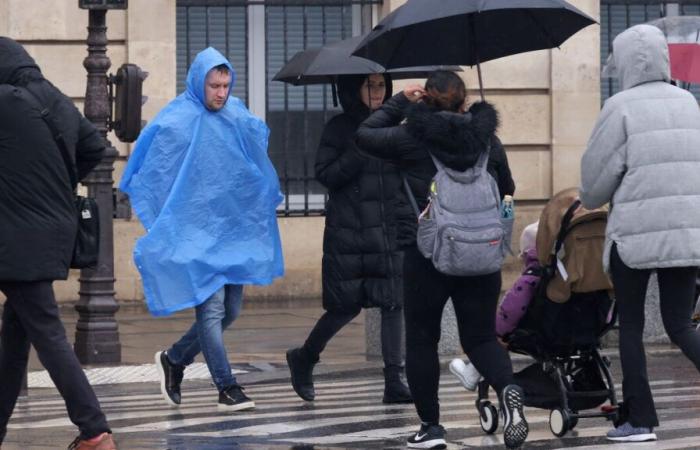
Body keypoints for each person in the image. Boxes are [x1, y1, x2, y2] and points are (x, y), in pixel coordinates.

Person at [355, 71, 528, 450]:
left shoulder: (409, 137)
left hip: (426, 254)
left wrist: (400, 99)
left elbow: (365, 134)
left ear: (426, 100)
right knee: (481, 337)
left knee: (421, 340)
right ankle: (510, 388)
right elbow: (508, 189)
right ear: (464, 101)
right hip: (480, 254)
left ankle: (431, 428)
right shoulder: (488, 140)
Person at [119, 47, 284, 412]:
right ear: (199, 82)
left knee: (231, 311)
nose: (221, 93)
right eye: (214, 85)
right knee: (211, 311)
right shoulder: (177, 119)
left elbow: (254, 159)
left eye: (226, 85)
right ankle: (226, 386)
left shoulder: (236, 115)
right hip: (194, 234)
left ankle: (175, 359)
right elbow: (153, 164)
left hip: (231, 231)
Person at [580, 24, 700, 442]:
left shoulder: (619, 107)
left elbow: (593, 189)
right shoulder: (689, 102)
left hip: (633, 237)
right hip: (687, 235)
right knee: (680, 325)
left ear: (626, 61)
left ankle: (639, 422)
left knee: (630, 327)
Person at [0, 37, 116, 449]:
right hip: (54, 231)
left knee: (47, 333)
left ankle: (94, 428)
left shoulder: (4, 103)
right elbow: (95, 149)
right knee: (15, 340)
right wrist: (56, 183)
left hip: (16, 239)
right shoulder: (54, 99)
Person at [286, 73, 412, 404]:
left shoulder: (396, 126)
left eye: (381, 85)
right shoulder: (340, 128)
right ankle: (305, 357)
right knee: (345, 307)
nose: (376, 92)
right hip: (351, 233)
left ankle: (394, 380)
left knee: (393, 303)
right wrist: (360, 148)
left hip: (387, 230)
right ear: (353, 89)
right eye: (369, 85)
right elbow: (325, 174)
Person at [450, 222, 541, 391]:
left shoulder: (530, 278)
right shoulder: (565, 274)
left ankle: (472, 372)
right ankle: (473, 370)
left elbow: (512, 308)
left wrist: (496, 329)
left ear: (524, 255)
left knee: (493, 340)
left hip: (534, 330)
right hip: (573, 326)